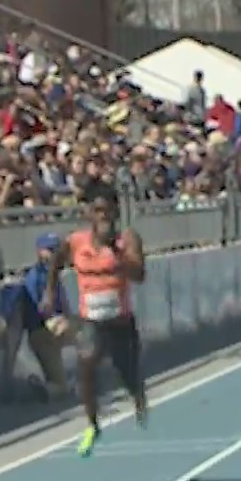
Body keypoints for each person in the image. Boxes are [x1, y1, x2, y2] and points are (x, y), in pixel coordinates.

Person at [48, 185, 148, 457]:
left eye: (107, 210)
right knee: (86, 365)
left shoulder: (128, 239)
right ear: (89, 213)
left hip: (120, 321)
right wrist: (50, 294)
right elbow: (55, 263)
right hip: (91, 321)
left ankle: (137, 394)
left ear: (116, 211)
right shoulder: (76, 241)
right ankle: (92, 424)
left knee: (128, 375)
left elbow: (139, 274)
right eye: (97, 211)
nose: (103, 216)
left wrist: (116, 252)